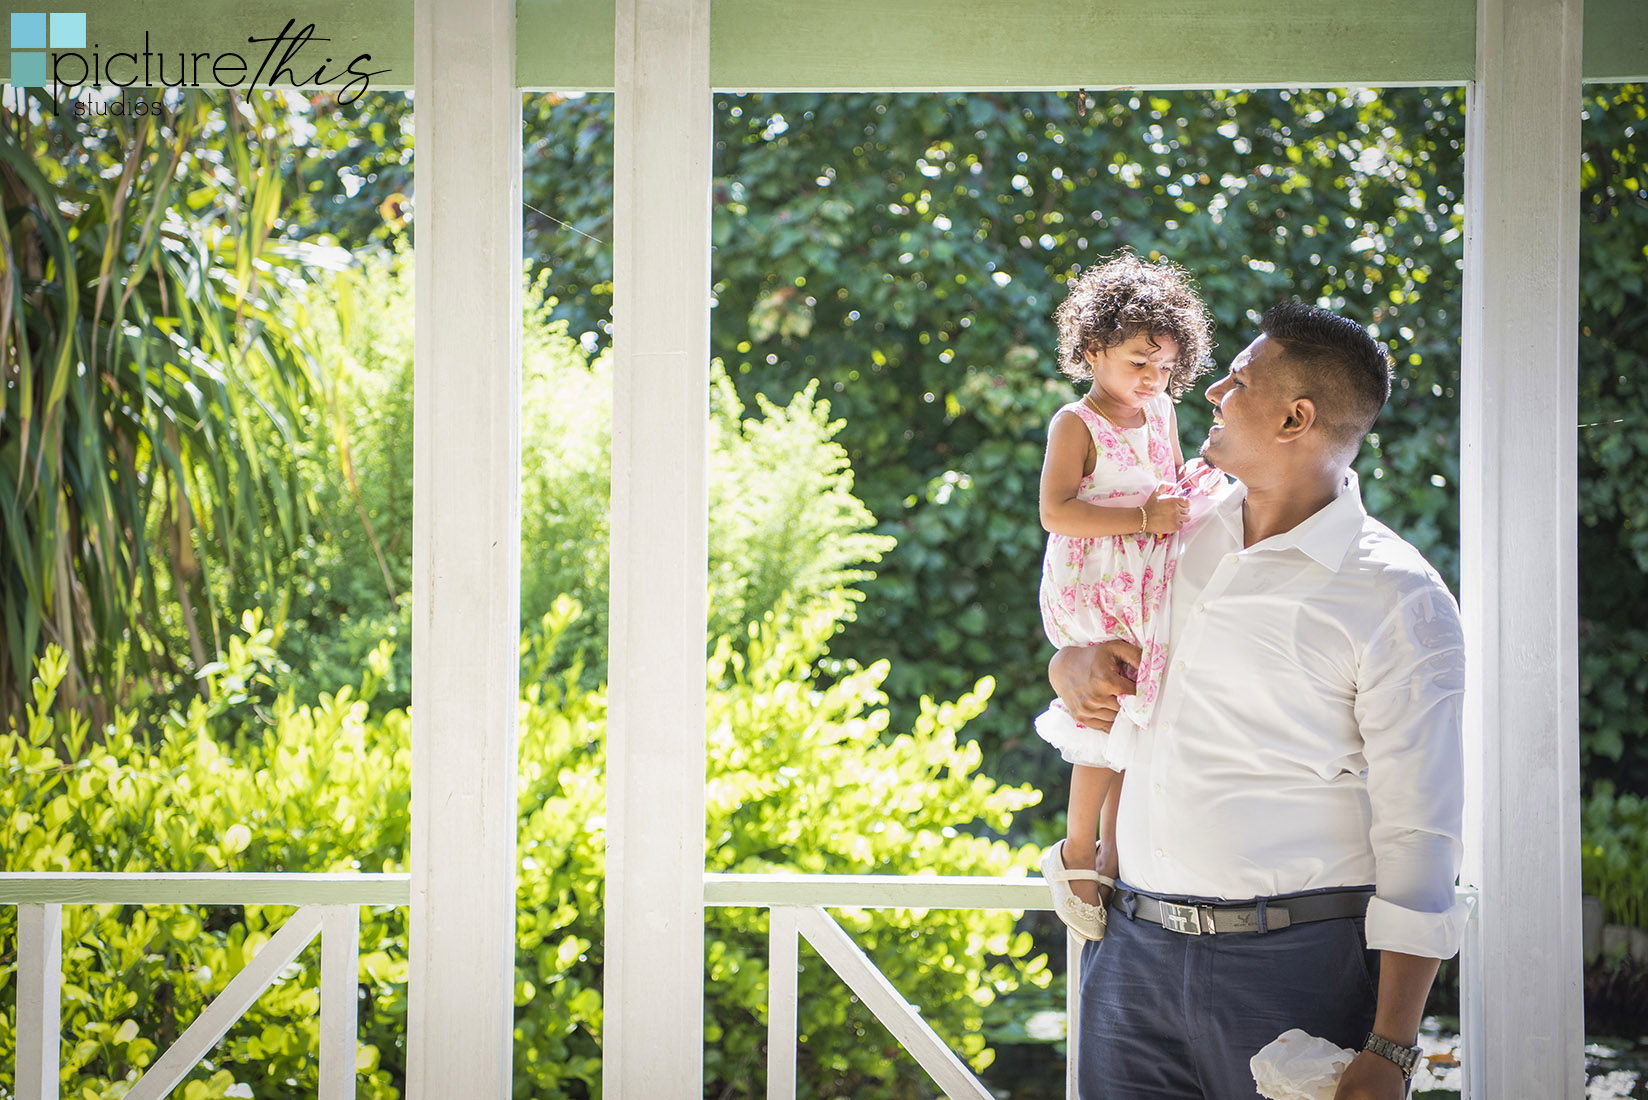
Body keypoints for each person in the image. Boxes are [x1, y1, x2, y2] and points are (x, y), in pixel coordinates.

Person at [1049, 301, 1467, 1100]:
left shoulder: (1396, 596)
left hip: (1296, 978)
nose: (1210, 393)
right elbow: (1093, 642)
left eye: (1237, 381)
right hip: (1130, 958)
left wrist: (1392, 1049)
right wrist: (1070, 662)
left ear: (1294, 417)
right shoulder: (1170, 530)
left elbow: (1421, 833)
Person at [1034, 253, 1222, 941]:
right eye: (1139, 362)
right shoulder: (1075, 424)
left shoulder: (1163, 411)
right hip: (1098, 581)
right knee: (1105, 710)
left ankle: (1114, 854)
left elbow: (1165, 480)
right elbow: (1057, 512)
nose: (1152, 378)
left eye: (1166, 367)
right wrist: (1143, 520)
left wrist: (1178, 503)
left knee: (1135, 717)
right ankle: (1077, 849)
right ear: (1093, 350)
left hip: (1150, 581)